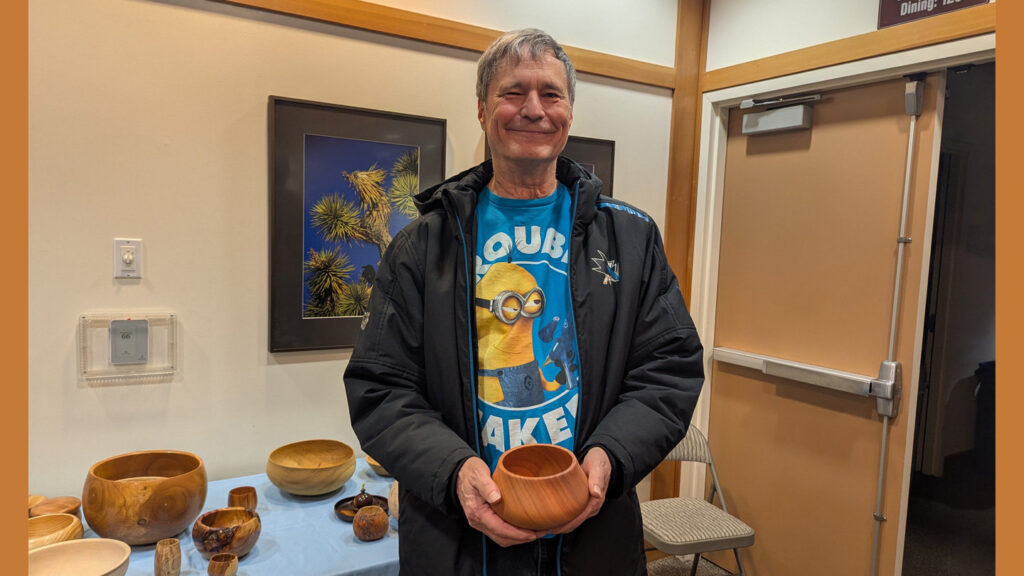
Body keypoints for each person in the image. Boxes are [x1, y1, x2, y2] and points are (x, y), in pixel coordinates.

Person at [344, 28, 704, 576]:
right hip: (459, 540)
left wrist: (609, 456)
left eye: (551, 94)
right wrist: (455, 472)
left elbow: (668, 370)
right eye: (514, 92)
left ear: (570, 112)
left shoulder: (630, 239)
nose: (533, 109)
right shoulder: (423, 246)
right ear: (484, 110)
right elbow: (381, 387)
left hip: (595, 539)